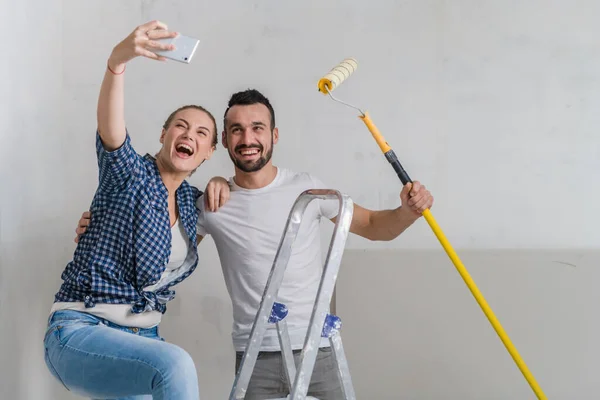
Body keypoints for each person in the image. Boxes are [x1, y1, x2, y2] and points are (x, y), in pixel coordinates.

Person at [76, 89, 434, 399]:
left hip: (319, 350)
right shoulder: (211, 203)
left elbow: (374, 227)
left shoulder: (307, 189)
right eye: (237, 130)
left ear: (274, 135)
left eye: (257, 128)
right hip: (255, 354)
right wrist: (103, 227)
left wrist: (407, 211)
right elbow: (160, 245)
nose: (248, 138)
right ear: (226, 142)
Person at [44, 21, 227, 400]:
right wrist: (117, 63)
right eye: (180, 126)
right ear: (164, 135)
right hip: (81, 330)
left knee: (168, 365)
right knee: (176, 365)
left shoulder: (194, 207)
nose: (188, 135)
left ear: (208, 152)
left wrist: (223, 183)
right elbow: (112, 132)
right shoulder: (129, 175)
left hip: (143, 340)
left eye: (201, 133)